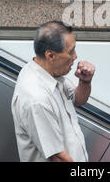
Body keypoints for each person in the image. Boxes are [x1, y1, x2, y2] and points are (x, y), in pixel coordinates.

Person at [11, 21, 95, 162]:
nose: (75, 56)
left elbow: (78, 99)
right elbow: (58, 158)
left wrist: (85, 81)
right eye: (70, 51)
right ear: (50, 56)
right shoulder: (37, 99)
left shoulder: (49, 73)